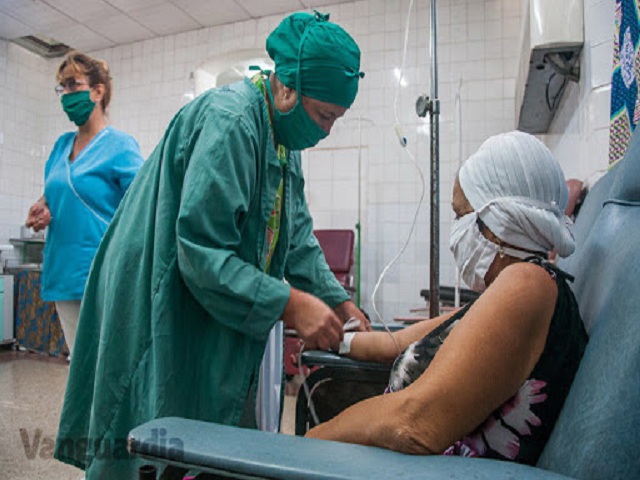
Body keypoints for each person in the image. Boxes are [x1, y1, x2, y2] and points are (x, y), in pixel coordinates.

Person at [55, 11, 368, 479]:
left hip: (200, 280)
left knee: (203, 412)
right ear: (286, 88)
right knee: (150, 412)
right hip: (156, 281)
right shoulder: (231, 122)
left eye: (336, 119)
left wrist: (341, 304)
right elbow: (200, 252)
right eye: (324, 115)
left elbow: (297, 237)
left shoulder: (283, 141)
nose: (326, 130)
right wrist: (291, 302)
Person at [307, 131, 588, 466]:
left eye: (461, 216)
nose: (457, 232)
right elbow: (394, 343)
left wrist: (310, 444)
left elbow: (413, 423)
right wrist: (336, 340)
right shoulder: (504, 294)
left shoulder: (527, 283)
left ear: (496, 224)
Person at [25, 51, 143, 357]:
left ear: (98, 91)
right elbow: (54, 194)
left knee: (106, 366)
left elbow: (141, 208)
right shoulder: (61, 146)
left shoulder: (120, 146)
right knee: (80, 363)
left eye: (74, 85)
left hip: (102, 275)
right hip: (64, 271)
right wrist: (42, 209)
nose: (67, 95)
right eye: (62, 88)